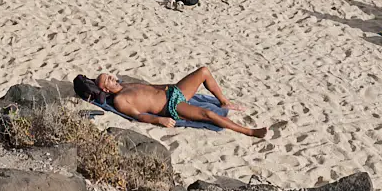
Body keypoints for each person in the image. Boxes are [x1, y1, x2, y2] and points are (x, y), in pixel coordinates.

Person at [90, 67, 268, 136]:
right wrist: (159, 120)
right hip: (171, 106)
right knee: (208, 114)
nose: (112, 78)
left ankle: (224, 102)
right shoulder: (121, 100)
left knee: (204, 72)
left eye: (110, 75)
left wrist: (170, 86)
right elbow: (139, 116)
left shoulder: (125, 85)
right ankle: (250, 131)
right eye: (108, 80)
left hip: (173, 92)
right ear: (105, 89)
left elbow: (151, 86)